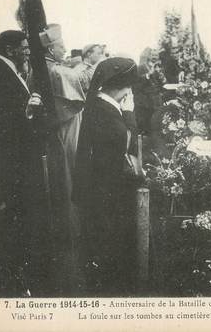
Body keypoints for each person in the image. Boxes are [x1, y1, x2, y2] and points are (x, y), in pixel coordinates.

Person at [73, 57, 142, 296]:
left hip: (101, 182)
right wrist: (130, 114)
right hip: (105, 186)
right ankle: (110, 284)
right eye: (129, 87)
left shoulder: (102, 104)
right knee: (107, 236)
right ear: (122, 87)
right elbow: (126, 142)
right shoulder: (105, 108)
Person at [0, 30, 47, 296]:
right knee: (14, 217)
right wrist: (28, 112)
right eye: (24, 48)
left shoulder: (9, 70)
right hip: (14, 160)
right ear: (11, 49)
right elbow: (2, 122)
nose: (28, 52)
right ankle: (14, 278)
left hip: (18, 157)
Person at [39, 24, 86, 198]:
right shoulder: (60, 72)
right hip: (66, 132)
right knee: (68, 174)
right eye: (61, 46)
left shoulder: (39, 69)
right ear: (50, 49)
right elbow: (75, 106)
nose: (65, 49)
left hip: (52, 133)